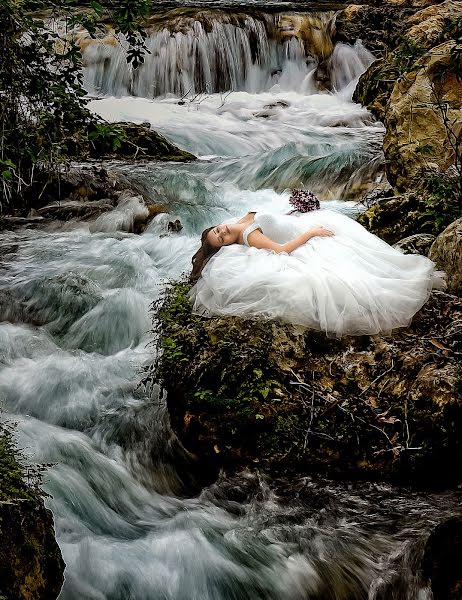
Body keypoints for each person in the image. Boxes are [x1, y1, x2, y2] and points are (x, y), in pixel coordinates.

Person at [189, 201, 443, 337]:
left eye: (216, 230)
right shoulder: (248, 234)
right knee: (358, 274)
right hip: (304, 237)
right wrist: (311, 233)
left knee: (367, 252)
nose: (221, 232)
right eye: (221, 238)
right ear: (229, 243)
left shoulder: (232, 223)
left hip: (302, 222)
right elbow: (282, 250)